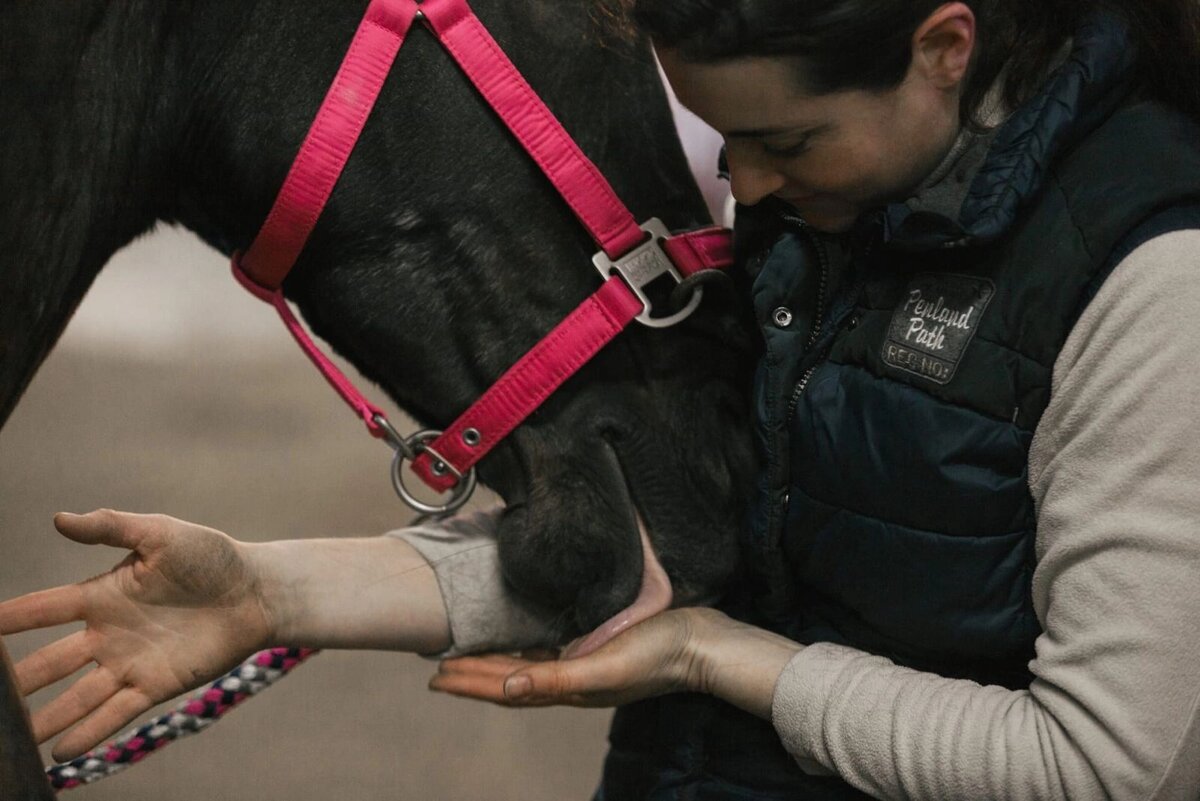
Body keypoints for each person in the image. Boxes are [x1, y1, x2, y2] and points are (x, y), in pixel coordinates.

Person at [3, 1, 1200, 798]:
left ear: (945, 45)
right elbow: (705, 545)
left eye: (785, 138)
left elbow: (1094, 761)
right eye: (726, 140)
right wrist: (275, 591)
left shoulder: (1146, 277)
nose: (745, 185)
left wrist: (715, 662)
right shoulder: (842, 202)